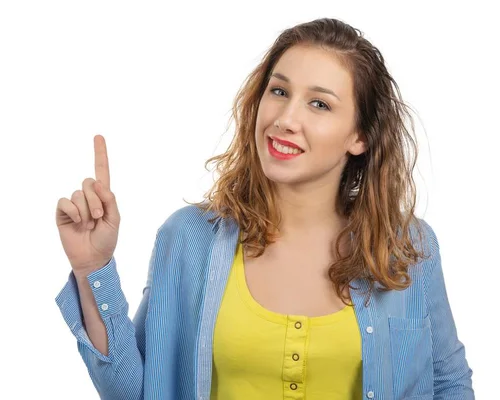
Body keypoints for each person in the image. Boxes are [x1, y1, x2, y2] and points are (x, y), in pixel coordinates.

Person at [54, 17, 474, 400]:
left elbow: (448, 384)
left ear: (359, 137)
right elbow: (138, 391)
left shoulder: (407, 248)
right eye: (279, 91)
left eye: (319, 104)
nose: (285, 118)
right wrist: (92, 269)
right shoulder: (189, 239)